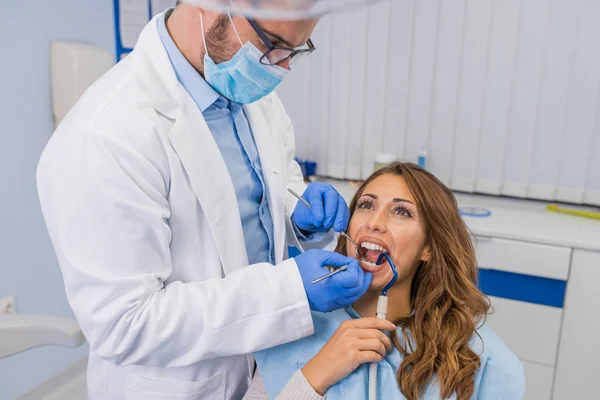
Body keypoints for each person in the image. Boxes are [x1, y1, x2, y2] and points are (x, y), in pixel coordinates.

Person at [36, 3, 372, 399]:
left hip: (265, 372)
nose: (281, 68)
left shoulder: (249, 90)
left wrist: (297, 214)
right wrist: (290, 291)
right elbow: (125, 324)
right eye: (273, 44)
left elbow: (261, 192)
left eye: (296, 51)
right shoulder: (104, 137)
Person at [247, 162, 526, 400]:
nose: (375, 223)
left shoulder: (477, 358)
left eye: (401, 212)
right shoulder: (294, 325)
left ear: (428, 248)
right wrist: (315, 376)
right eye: (366, 205)